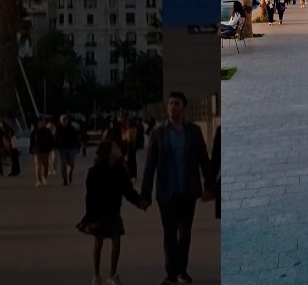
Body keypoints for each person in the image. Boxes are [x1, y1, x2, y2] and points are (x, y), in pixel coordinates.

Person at [140, 92, 216, 285]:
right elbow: (150, 166)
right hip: (166, 193)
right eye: (171, 103)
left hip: (188, 191)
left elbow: (204, 160)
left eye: (177, 103)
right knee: (169, 234)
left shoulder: (194, 132)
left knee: (185, 233)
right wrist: (145, 195)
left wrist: (210, 186)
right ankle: (171, 273)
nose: (173, 107)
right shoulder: (158, 133)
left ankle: (182, 271)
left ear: (184, 107)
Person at [77, 140, 145, 285]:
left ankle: (112, 273)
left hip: (113, 210)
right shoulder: (95, 171)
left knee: (116, 240)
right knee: (98, 241)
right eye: (114, 147)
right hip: (98, 211)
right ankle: (96, 275)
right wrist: (89, 216)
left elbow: (128, 190)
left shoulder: (120, 169)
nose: (118, 148)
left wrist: (139, 202)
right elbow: (89, 196)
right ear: (108, 152)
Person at [57, 114, 82, 185]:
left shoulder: (72, 129)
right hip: (62, 149)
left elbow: (76, 138)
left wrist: (78, 146)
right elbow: (56, 138)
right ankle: (65, 178)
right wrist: (56, 145)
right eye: (63, 120)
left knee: (72, 163)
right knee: (63, 164)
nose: (65, 121)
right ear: (60, 121)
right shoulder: (59, 129)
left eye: (66, 120)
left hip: (71, 148)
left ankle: (70, 174)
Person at [32, 117, 56, 186]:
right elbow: (32, 141)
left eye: (43, 122)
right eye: (40, 122)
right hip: (37, 150)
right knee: (38, 165)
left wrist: (52, 146)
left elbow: (51, 140)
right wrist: (32, 150)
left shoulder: (47, 131)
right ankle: (38, 180)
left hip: (45, 150)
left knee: (45, 165)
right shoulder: (35, 131)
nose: (42, 123)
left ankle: (44, 177)